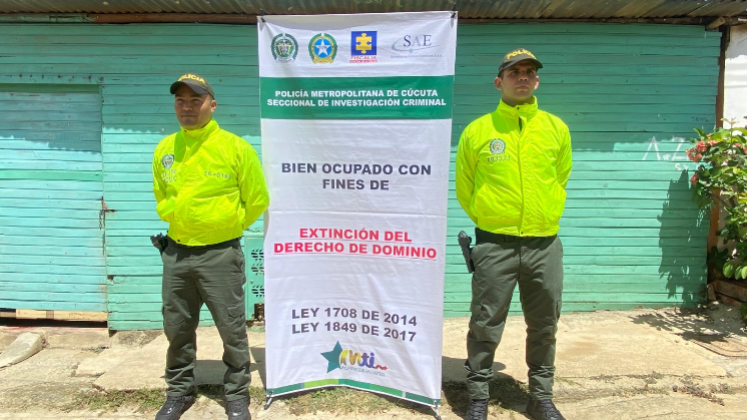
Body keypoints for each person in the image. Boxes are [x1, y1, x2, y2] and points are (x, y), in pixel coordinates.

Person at [455, 49, 572, 420]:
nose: (522, 77)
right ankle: (477, 398)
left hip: (544, 244)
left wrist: (542, 214)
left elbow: (561, 177)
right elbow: (465, 188)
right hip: (494, 244)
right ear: (499, 81)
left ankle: (540, 397)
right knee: (485, 323)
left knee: (544, 326)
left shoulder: (556, 128)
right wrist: (494, 219)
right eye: (514, 72)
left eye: (529, 72)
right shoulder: (478, 131)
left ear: (537, 80)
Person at [151, 73, 269, 420]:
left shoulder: (235, 147)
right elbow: (162, 194)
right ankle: (179, 392)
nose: (187, 107)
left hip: (220, 254)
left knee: (232, 330)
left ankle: (235, 396)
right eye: (180, 101)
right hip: (176, 254)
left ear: (212, 105)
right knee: (176, 329)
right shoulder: (165, 149)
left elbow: (258, 199)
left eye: (195, 100)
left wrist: (225, 226)